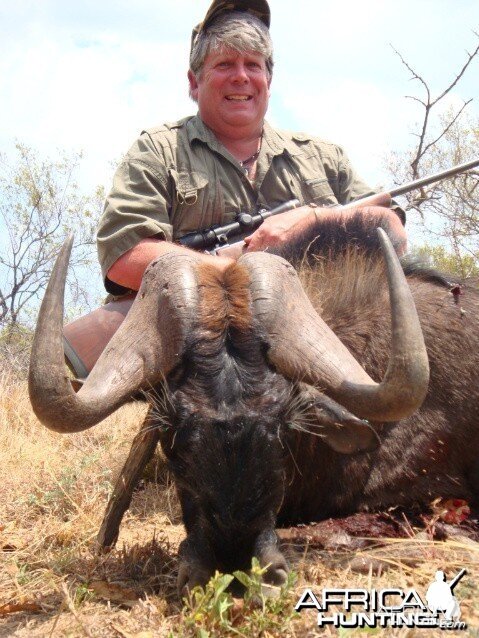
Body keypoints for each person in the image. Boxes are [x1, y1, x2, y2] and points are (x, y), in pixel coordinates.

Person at [97, 0, 406, 296]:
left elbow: (390, 226)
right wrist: (236, 269)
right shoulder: (158, 150)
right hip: (193, 332)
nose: (241, 77)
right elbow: (125, 257)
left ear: (268, 81)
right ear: (194, 82)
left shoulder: (324, 157)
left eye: (253, 65)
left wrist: (313, 220)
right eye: (225, 64)